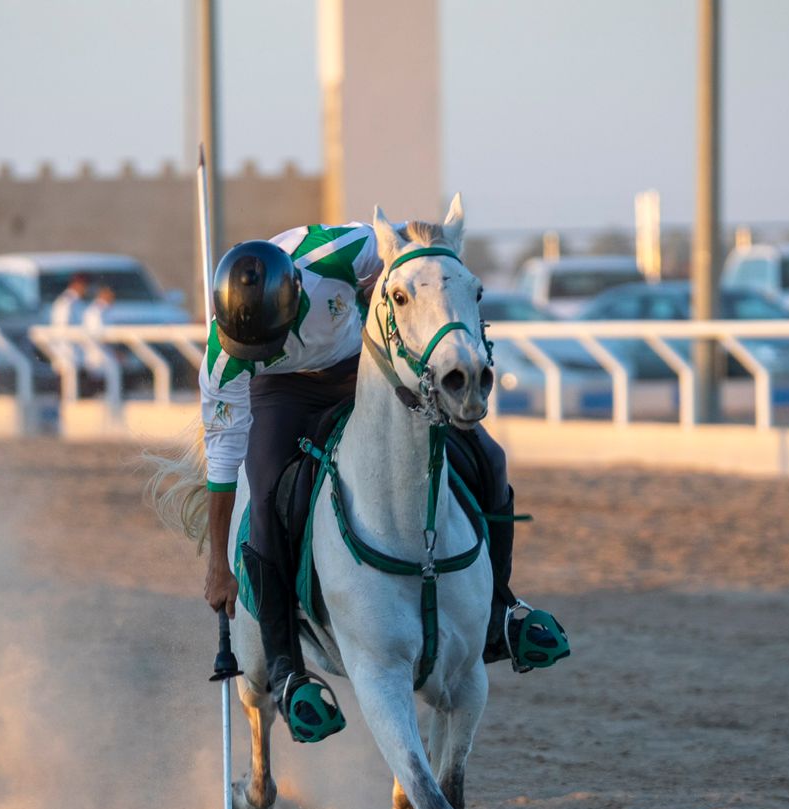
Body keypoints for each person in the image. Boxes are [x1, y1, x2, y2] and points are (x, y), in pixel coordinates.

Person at [200, 224, 568, 742]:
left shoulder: (341, 250)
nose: (264, 347)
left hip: (359, 369)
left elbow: (404, 275)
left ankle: (500, 612)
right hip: (281, 395)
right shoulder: (227, 351)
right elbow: (222, 457)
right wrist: (219, 562)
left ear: (299, 292)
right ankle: (286, 669)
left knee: (488, 456)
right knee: (263, 498)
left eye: (273, 339)